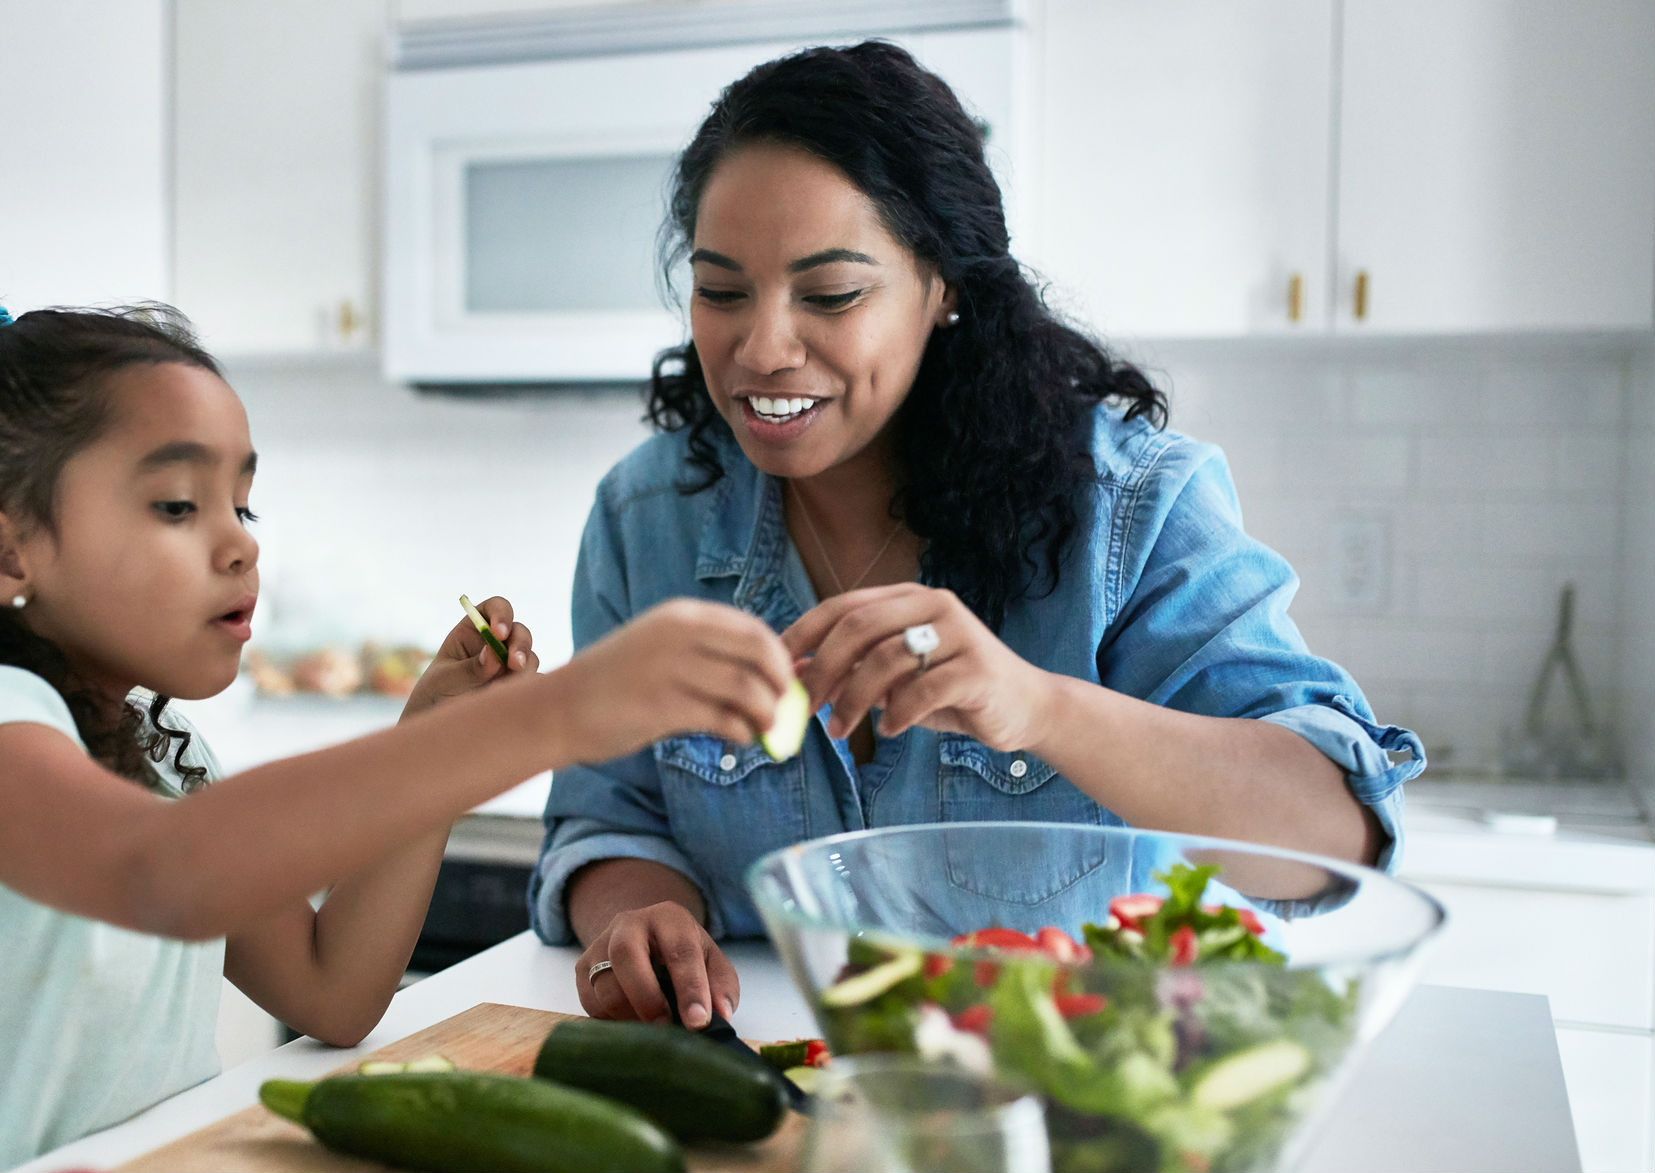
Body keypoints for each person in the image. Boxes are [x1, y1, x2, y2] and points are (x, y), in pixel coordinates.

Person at [0, 293, 795, 1173]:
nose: (238, 548)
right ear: (1, 553)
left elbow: (332, 990)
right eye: (175, 505)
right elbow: (165, 875)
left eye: (243, 507)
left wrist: (431, 737)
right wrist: (555, 713)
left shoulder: (168, 764)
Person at [530, 41, 1425, 1033]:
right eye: (721, 291)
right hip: (763, 1095)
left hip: (1063, 1099)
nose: (761, 349)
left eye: (830, 295)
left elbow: (1332, 838)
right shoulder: (643, 519)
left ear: (943, 286)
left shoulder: (1131, 508)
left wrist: (1039, 707)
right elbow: (608, 814)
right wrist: (641, 911)